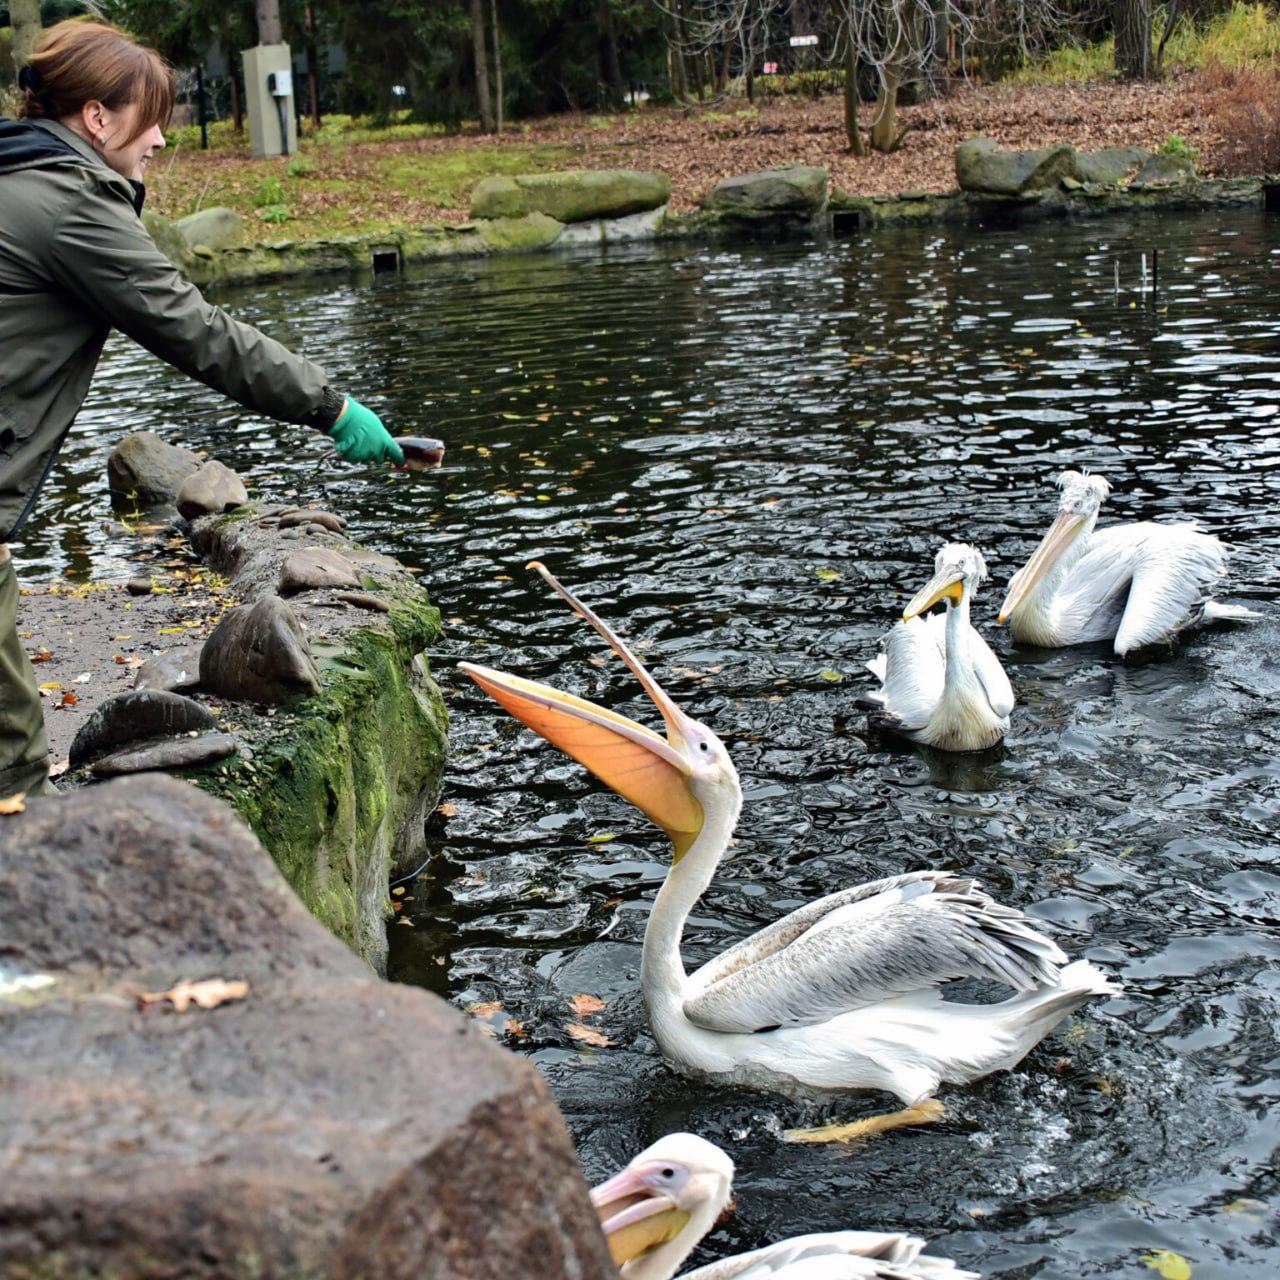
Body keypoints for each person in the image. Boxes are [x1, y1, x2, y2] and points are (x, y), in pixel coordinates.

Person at [0, 20, 404, 799]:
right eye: (150, 118)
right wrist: (334, 407)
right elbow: (198, 332)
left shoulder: (18, 180)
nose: (159, 139)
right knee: (10, 752)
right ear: (96, 117)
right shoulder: (70, 206)